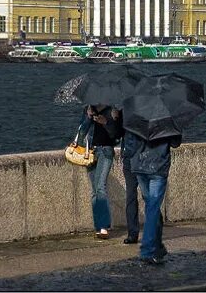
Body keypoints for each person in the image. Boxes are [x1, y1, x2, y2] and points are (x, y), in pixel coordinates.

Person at [123, 130, 182, 265]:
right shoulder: (167, 120)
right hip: (158, 167)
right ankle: (152, 249)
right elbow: (175, 143)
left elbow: (130, 147)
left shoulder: (136, 118)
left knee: (152, 206)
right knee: (153, 207)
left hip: (140, 166)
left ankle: (156, 247)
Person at [77, 104, 123, 239]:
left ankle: (104, 226)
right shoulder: (88, 109)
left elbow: (117, 135)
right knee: (94, 190)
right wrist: (88, 117)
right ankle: (99, 225)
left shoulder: (113, 110)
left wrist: (106, 122)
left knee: (100, 187)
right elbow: (81, 133)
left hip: (105, 151)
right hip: (90, 152)